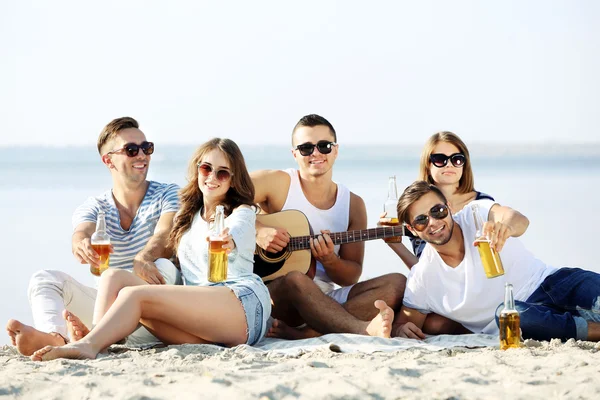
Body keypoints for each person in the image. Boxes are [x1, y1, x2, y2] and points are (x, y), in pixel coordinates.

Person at [32, 138, 272, 361]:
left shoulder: (241, 212)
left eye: (223, 173)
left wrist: (228, 238)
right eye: (206, 168)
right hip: (202, 320)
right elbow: (163, 239)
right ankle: (97, 340)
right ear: (197, 169)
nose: (212, 177)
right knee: (113, 276)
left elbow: (239, 229)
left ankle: (86, 345)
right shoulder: (188, 216)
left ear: (233, 178)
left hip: (241, 305)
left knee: (134, 295)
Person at [6, 117, 181, 356]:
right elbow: (82, 231)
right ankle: (55, 337)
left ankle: (93, 336)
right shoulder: (95, 205)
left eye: (146, 148)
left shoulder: (168, 193)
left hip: (156, 315)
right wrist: (80, 244)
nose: (142, 155)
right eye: (131, 150)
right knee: (44, 279)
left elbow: (165, 233)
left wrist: (143, 258)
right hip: (108, 312)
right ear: (108, 160)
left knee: (162, 265)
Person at [251, 114, 404, 339]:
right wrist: (258, 229)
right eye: (306, 148)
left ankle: (310, 331)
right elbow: (223, 196)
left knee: (397, 283)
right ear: (294, 154)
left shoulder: (353, 204)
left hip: (326, 300)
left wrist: (329, 260)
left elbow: (350, 276)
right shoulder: (276, 182)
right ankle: (359, 328)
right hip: (277, 297)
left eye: (324, 146)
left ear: (336, 150)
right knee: (296, 278)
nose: (316, 153)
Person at [390, 180, 600, 342]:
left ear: (449, 208)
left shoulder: (475, 214)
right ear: (411, 230)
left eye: (438, 211)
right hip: (521, 316)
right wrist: (400, 329)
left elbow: (518, 219)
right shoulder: (423, 277)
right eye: (421, 220)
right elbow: (404, 323)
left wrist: (506, 228)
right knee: (510, 314)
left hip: (555, 283)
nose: (433, 222)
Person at [385, 131, 494, 268]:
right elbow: (425, 271)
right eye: (440, 159)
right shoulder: (416, 212)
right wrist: (394, 244)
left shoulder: (483, 203)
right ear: (427, 164)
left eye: (457, 159)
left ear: (464, 165)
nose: (449, 165)